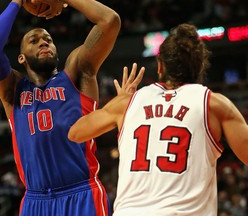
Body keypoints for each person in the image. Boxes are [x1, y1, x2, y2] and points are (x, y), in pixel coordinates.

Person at [68, 23, 248, 216]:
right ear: (200, 66)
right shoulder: (214, 104)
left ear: (160, 66)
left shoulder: (128, 103)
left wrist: (120, 101)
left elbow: (75, 133)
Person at [0, 0, 121, 215]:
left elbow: (109, 21)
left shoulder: (77, 73)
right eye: (34, 41)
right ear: (21, 58)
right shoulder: (13, 90)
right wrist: (17, 2)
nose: (43, 43)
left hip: (81, 195)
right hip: (35, 200)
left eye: (48, 39)